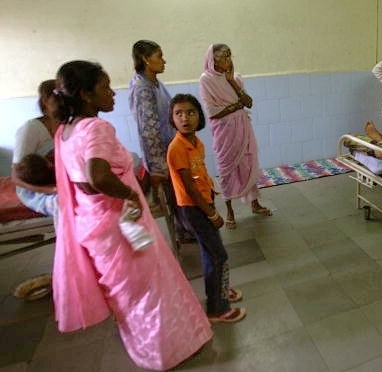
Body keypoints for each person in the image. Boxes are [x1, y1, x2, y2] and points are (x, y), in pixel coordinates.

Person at [52, 60, 212, 370]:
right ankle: (170, 349)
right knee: (149, 289)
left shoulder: (65, 131)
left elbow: (82, 181)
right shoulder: (96, 127)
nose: (112, 93)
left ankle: (148, 350)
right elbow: (97, 175)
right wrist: (127, 193)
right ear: (86, 94)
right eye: (104, 87)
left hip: (92, 224)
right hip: (118, 224)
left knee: (128, 296)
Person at [167, 93, 246, 323]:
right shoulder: (177, 148)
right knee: (218, 254)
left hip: (203, 203)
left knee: (209, 251)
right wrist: (211, 213)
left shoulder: (196, 143)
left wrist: (212, 194)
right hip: (194, 208)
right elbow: (189, 187)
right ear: (172, 119)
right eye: (178, 113)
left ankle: (219, 289)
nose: (185, 118)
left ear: (199, 116)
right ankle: (218, 308)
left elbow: (199, 176)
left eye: (190, 112)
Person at [199, 43, 271, 229]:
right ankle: (229, 210)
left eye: (230, 56)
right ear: (212, 60)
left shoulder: (236, 78)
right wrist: (235, 106)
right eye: (223, 57)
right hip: (224, 133)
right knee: (226, 169)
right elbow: (212, 112)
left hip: (243, 129)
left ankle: (254, 203)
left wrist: (231, 81)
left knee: (248, 164)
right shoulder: (206, 79)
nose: (228, 61)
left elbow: (249, 102)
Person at [129, 39, 192, 245]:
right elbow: (149, 131)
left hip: (170, 148)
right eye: (159, 56)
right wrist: (158, 167)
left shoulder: (154, 83)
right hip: (161, 155)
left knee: (179, 193)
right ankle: (182, 232)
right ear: (146, 59)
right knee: (174, 196)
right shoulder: (143, 88)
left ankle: (185, 230)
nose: (164, 61)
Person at [11, 79, 59, 217]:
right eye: (57, 98)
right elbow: (15, 177)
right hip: (33, 190)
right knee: (66, 204)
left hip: (57, 181)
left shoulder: (66, 126)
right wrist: (50, 190)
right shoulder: (31, 129)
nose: (63, 102)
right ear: (45, 101)